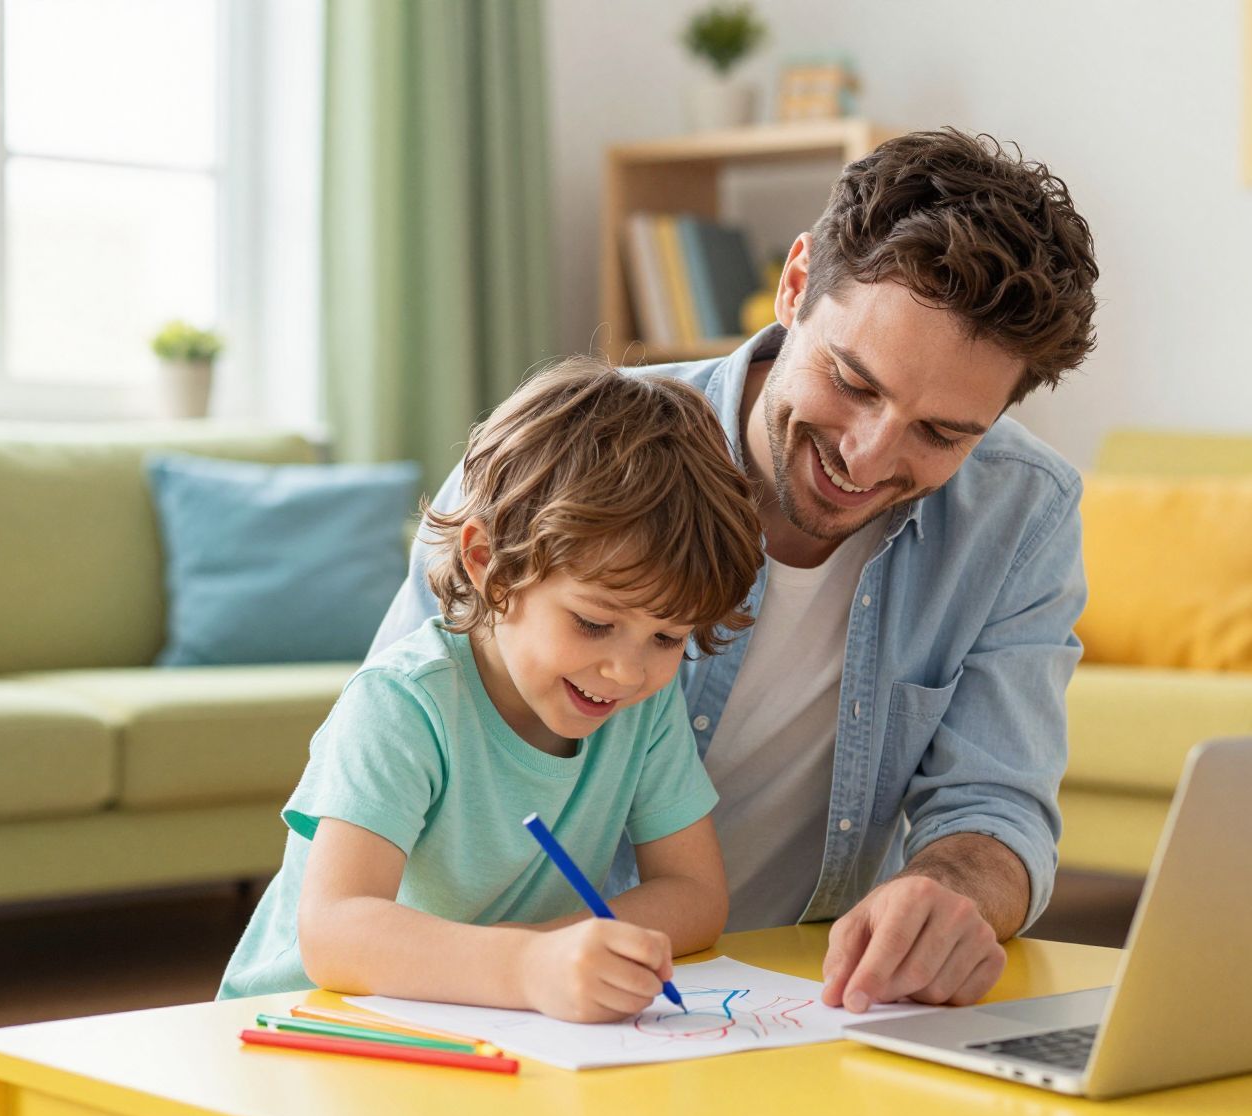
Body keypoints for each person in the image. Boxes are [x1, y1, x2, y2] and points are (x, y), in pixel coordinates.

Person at [372, 127, 1101, 1013]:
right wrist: (516, 968)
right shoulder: (558, 470)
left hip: (772, 1011)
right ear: (796, 285)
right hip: (479, 1002)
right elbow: (394, 745)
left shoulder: (1021, 515)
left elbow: (998, 808)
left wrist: (954, 893)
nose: (868, 458)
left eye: (942, 433)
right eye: (854, 382)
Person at [220, 359, 763, 1023]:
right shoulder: (404, 703)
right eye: (594, 623)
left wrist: (546, 962)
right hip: (301, 1028)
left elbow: (695, 896)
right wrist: (525, 967)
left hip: (481, 1022)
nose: (627, 671)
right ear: (487, 565)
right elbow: (335, 931)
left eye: (667, 637)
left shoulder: (642, 708)